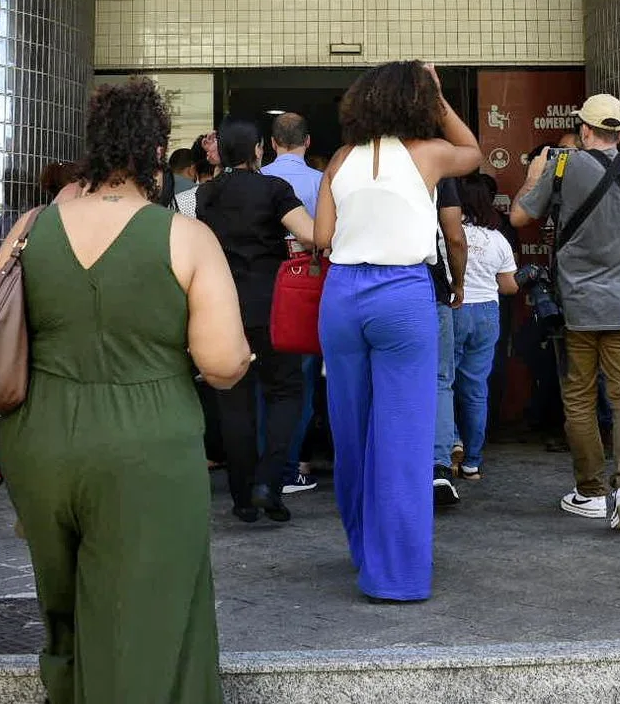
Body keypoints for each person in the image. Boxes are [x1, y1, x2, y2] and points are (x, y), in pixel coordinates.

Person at [0, 78, 251, 704]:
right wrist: (240, 358)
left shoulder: (31, 229)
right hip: (148, 448)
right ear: (155, 153)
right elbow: (221, 363)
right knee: (149, 615)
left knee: (64, 612)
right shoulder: (185, 238)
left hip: (42, 444)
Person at [313, 61, 481, 601]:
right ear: (418, 104)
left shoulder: (340, 160)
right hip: (402, 295)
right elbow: (473, 151)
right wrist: (438, 95)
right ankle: (397, 575)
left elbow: (322, 236)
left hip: (342, 295)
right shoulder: (429, 153)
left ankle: (364, 551)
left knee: (352, 431)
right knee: (404, 438)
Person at [511, 94, 620, 533]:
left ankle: (591, 491)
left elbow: (520, 216)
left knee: (580, 397)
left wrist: (536, 173)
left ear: (584, 130)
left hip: (578, 306)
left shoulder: (563, 166)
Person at [198, 119, 316, 521]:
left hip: (224, 308)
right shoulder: (275, 190)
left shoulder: (205, 195)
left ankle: (242, 498)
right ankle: (270, 481)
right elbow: (313, 235)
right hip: (274, 308)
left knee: (235, 401)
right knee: (285, 392)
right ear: (260, 150)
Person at [262, 113, 325, 494]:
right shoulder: (321, 183)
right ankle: (290, 466)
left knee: (262, 380)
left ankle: (265, 463)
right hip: (305, 288)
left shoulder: (257, 178)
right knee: (300, 381)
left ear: (271, 143)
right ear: (308, 142)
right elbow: (327, 237)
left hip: (262, 286)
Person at [453, 173, 520, 479]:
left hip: (453, 309)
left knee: (442, 383)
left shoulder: (446, 234)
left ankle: (451, 441)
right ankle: (473, 461)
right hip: (487, 314)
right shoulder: (499, 240)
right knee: (476, 388)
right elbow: (509, 287)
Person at [430, 178, 468, 507]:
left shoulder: (355, 160)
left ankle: (391, 466)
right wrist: (458, 282)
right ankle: (438, 468)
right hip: (430, 288)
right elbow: (454, 236)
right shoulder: (437, 167)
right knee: (441, 380)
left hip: (376, 284)